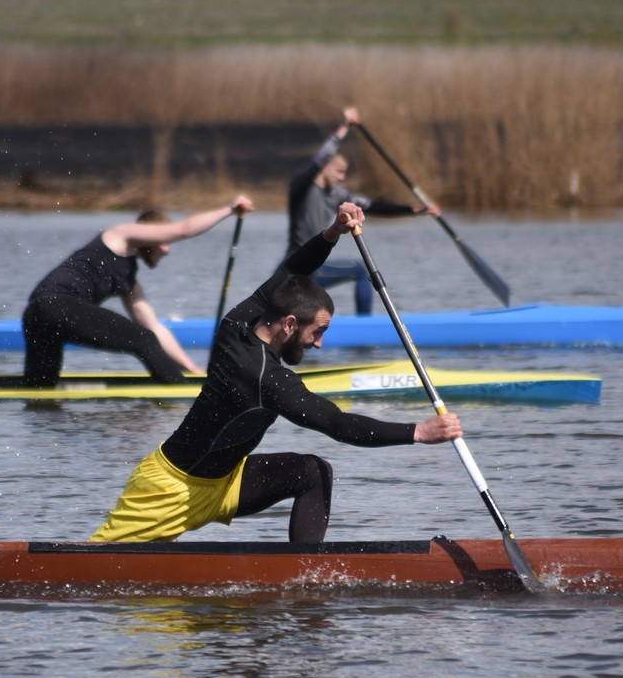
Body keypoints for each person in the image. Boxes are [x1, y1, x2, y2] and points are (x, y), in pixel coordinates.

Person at [92, 204, 462, 544]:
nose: (319, 344)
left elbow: (290, 272)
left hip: (227, 481)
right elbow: (338, 424)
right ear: (288, 324)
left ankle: (304, 575)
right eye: (317, 332)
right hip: (169, 489)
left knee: (312, 472)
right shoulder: (267, 378)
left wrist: (333, 232)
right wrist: (417, 432)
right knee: (93, 566)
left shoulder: (237, 323)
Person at [22, 195, 254, 387]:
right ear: (148, 235)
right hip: (58, 306)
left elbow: (155, 327)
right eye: (163, 240)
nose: (167, 250)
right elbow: (184, 229)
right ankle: (183, 396)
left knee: (40, 391)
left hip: (35, 315)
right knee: (143, 340)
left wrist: (192, 369)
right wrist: (230, 209)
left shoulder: (129, 283)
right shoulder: (120, 235)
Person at [286, 106, 438, 315]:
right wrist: (344, 127)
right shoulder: (301, 187)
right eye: (339, 172)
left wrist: (414, 210)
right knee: (360, 269)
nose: (342, 177)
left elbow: (372, 206)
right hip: (300, 265)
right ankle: (364, 323)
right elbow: (319, 158)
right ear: (325, 168)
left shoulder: (337, 194)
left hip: (305, 267)